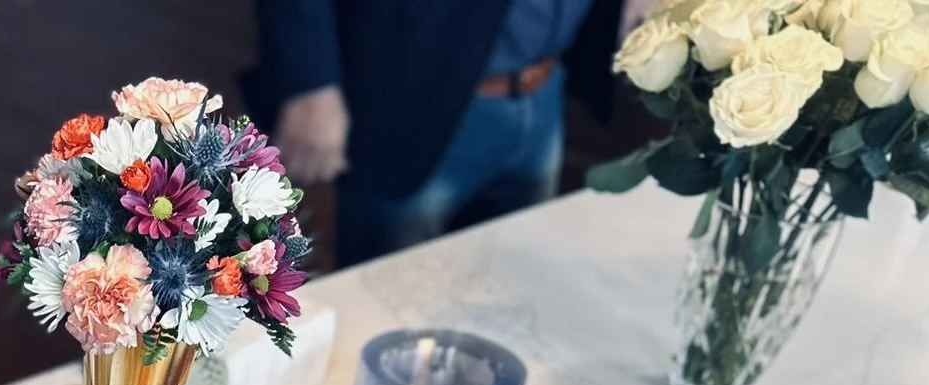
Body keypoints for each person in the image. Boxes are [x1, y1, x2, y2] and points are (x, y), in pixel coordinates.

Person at [250, 0, 650, 264]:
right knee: (389, 312)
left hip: (545, 90)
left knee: (506, 295)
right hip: (412, 93)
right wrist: (309, 82)